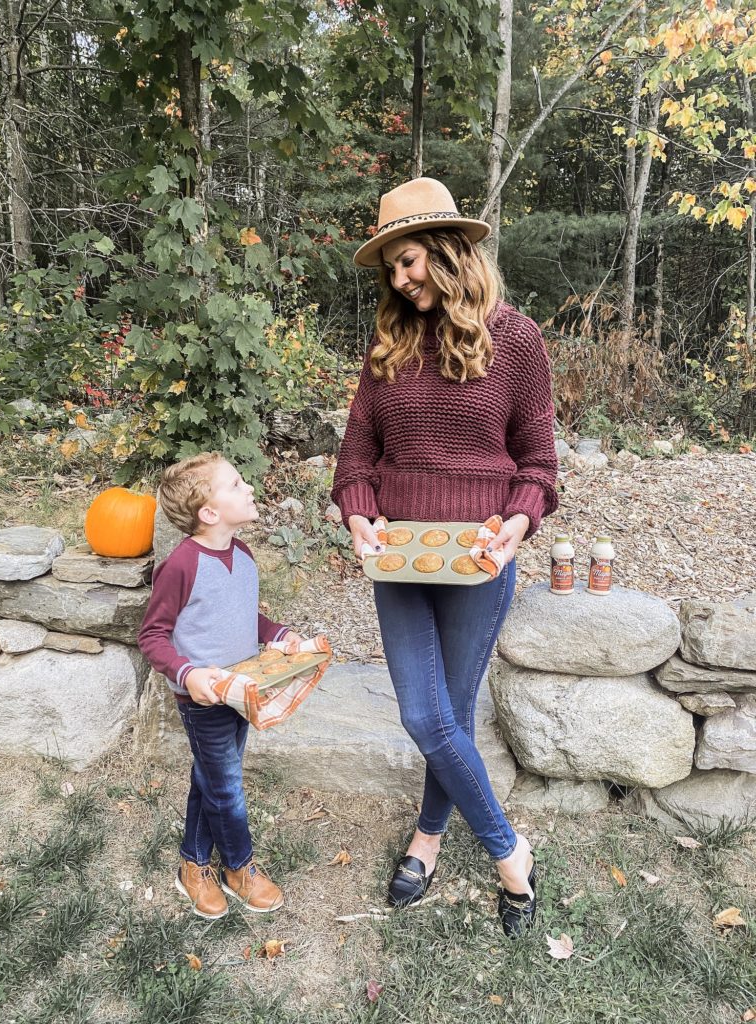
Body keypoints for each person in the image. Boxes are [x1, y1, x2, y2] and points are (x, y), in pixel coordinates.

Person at [330, 177, 559, 937]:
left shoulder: (517, 341)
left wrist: (519, 524)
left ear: (453, 253)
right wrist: (359, 516)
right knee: (425, 713)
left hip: (477, 559)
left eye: (411, 260)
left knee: (448, 716)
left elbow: (539, 465)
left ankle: (427, 838)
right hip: (398, 557)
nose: (400, 279)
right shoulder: (387, 345)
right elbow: (355, 457)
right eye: (391, 267)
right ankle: (508, 850)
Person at [138, 452, 304, 919]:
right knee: (226, 785)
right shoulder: (181, 566)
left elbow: (240, 616)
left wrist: (276, 635)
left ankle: (192, 864)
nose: (248, 487)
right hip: (203, 698)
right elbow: (151, 635)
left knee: (209, 777)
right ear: (209, 513)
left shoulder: (244, 555)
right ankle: (238, 868)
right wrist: (188, 674)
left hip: (242, 691)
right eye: (235, 484)